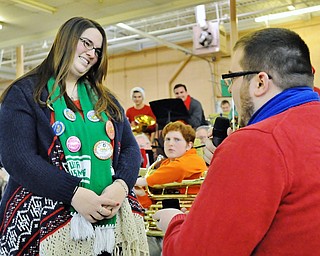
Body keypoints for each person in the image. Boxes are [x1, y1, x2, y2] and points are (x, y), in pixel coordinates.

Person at [153, 27, 320, 255]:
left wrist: (175, 222)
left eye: (232, 78)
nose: (230, 89)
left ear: (260, 82)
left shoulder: (255, 143)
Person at [0, 17, 148, 256]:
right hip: (42, 227)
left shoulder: (105, 100)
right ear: (66, 40)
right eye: (86, 43)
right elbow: (17, 158)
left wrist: (121, 186)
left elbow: (130, 148)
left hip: (106, 226)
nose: (91, 54)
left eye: (97, 50)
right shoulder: (25, 92)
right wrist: (73, 193)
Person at [135, 121, 207, 256]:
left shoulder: (194, 160)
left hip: (188, 228)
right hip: (161, 230)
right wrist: (141, 194)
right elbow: (152, 205)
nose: (170, 143)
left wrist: (146, 180)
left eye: (177, 139)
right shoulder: (164, 165)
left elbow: (179, 169)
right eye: (167, 139)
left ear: (189, 145)